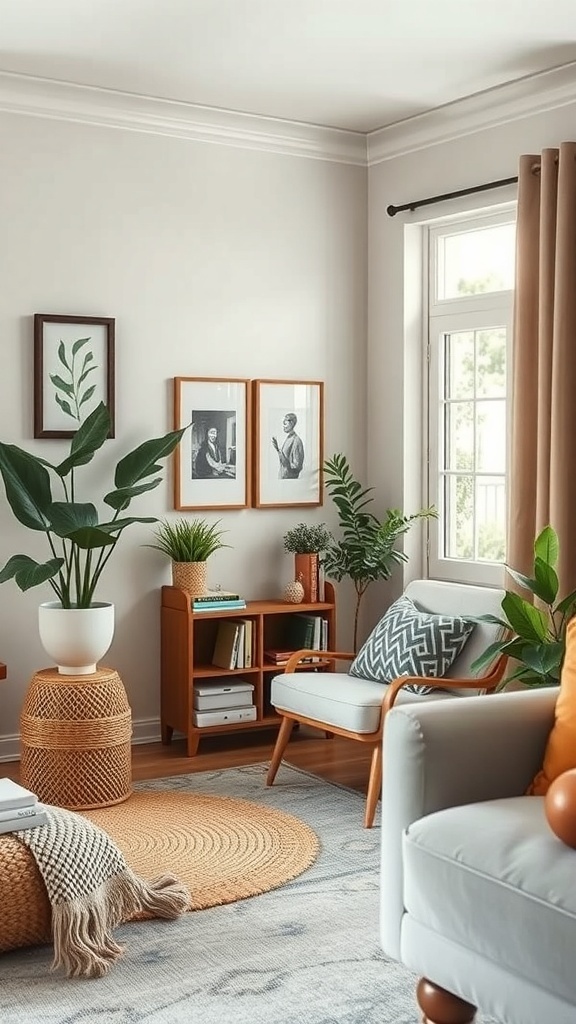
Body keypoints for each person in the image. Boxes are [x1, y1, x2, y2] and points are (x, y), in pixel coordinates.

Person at [272, 413, 304, 479]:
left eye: (285, 423)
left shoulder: (296, 441)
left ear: (291, 424)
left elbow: (296, 466)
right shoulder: (289, 438)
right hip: (283, 480)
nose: (283, 426)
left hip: (289, 481)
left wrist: (278, 450)